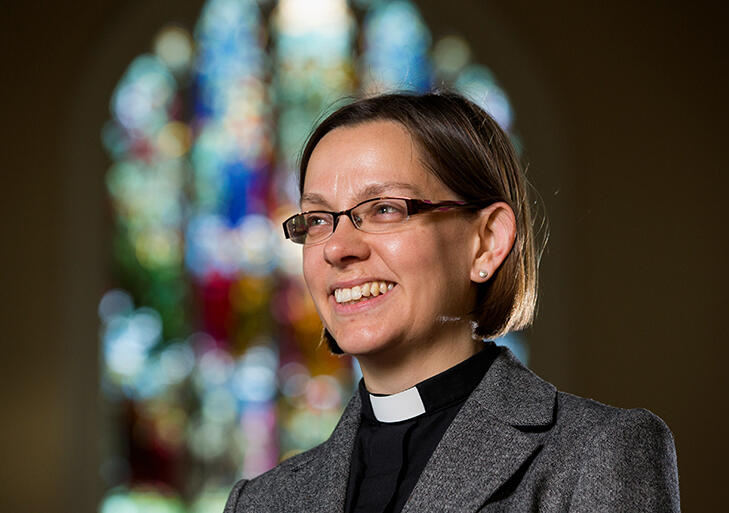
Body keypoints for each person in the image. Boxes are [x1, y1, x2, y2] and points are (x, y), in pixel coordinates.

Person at [223, 92, 680, 512]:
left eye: (384, 209)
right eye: (319, 219)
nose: (338, 248)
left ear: (486, 242)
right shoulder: (261, 501)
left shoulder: (598, 454)